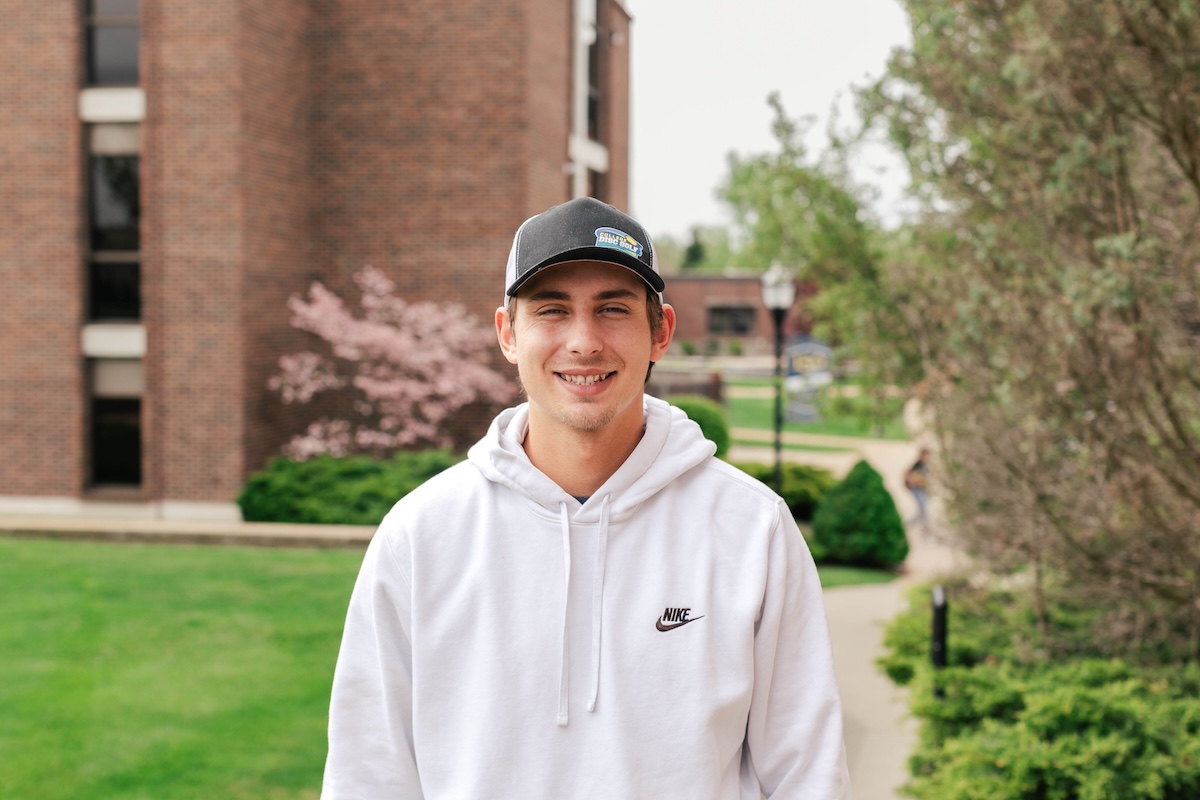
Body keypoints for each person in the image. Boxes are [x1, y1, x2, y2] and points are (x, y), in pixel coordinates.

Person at [320, 197, 851, 799]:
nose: (583, 341)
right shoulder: (422, 534)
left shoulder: (752, 529)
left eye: (613, 309)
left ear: (661, 333)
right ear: (507, 334)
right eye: (552, 310)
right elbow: (369, 775)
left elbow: (808, 773)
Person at [905, 447, 931, 527]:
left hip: (922, 489)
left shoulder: (925, 465)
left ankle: (921, 522)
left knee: (923, 506)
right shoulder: (917, 465)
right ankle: (919, 523)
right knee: (922, 506)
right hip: (917, 488)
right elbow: (911, 475)